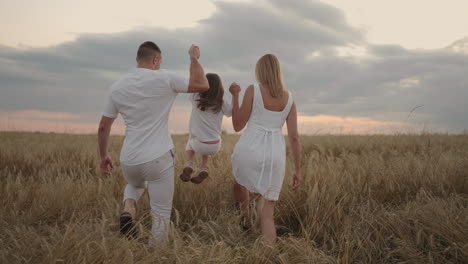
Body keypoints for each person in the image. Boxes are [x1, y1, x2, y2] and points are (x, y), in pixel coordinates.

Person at [97, 41, 209, 243]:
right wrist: (194, 59)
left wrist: (103, 156)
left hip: (129, 159)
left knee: (135, 183)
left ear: (137, 59)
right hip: (159, 158)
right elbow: (202, 84)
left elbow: (103, 127)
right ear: (156, 60)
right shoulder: (165, 77)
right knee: (161, 214)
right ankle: (155, 255)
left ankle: (129, 207)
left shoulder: (117, 87)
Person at [229, 54, 302, 245]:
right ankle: (267, 255)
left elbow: (237, 125)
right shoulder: (290, 98)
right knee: (268, 215)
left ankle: (245, 218)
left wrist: (235, 95)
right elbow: (294, 137)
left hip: (250, 148)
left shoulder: (254, 90)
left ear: (260, 71)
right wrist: (297, 169)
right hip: (275, 154)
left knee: (239, 181)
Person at [179, 73, 232, 184]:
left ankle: (189, 164)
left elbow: (193, 84)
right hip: (215, 145)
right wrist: (235, 95)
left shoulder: (196, 97)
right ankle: (204, 167)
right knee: (207, 139)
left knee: (191, 141)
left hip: (198, 143)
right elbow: (231, 112)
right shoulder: (222, 102)